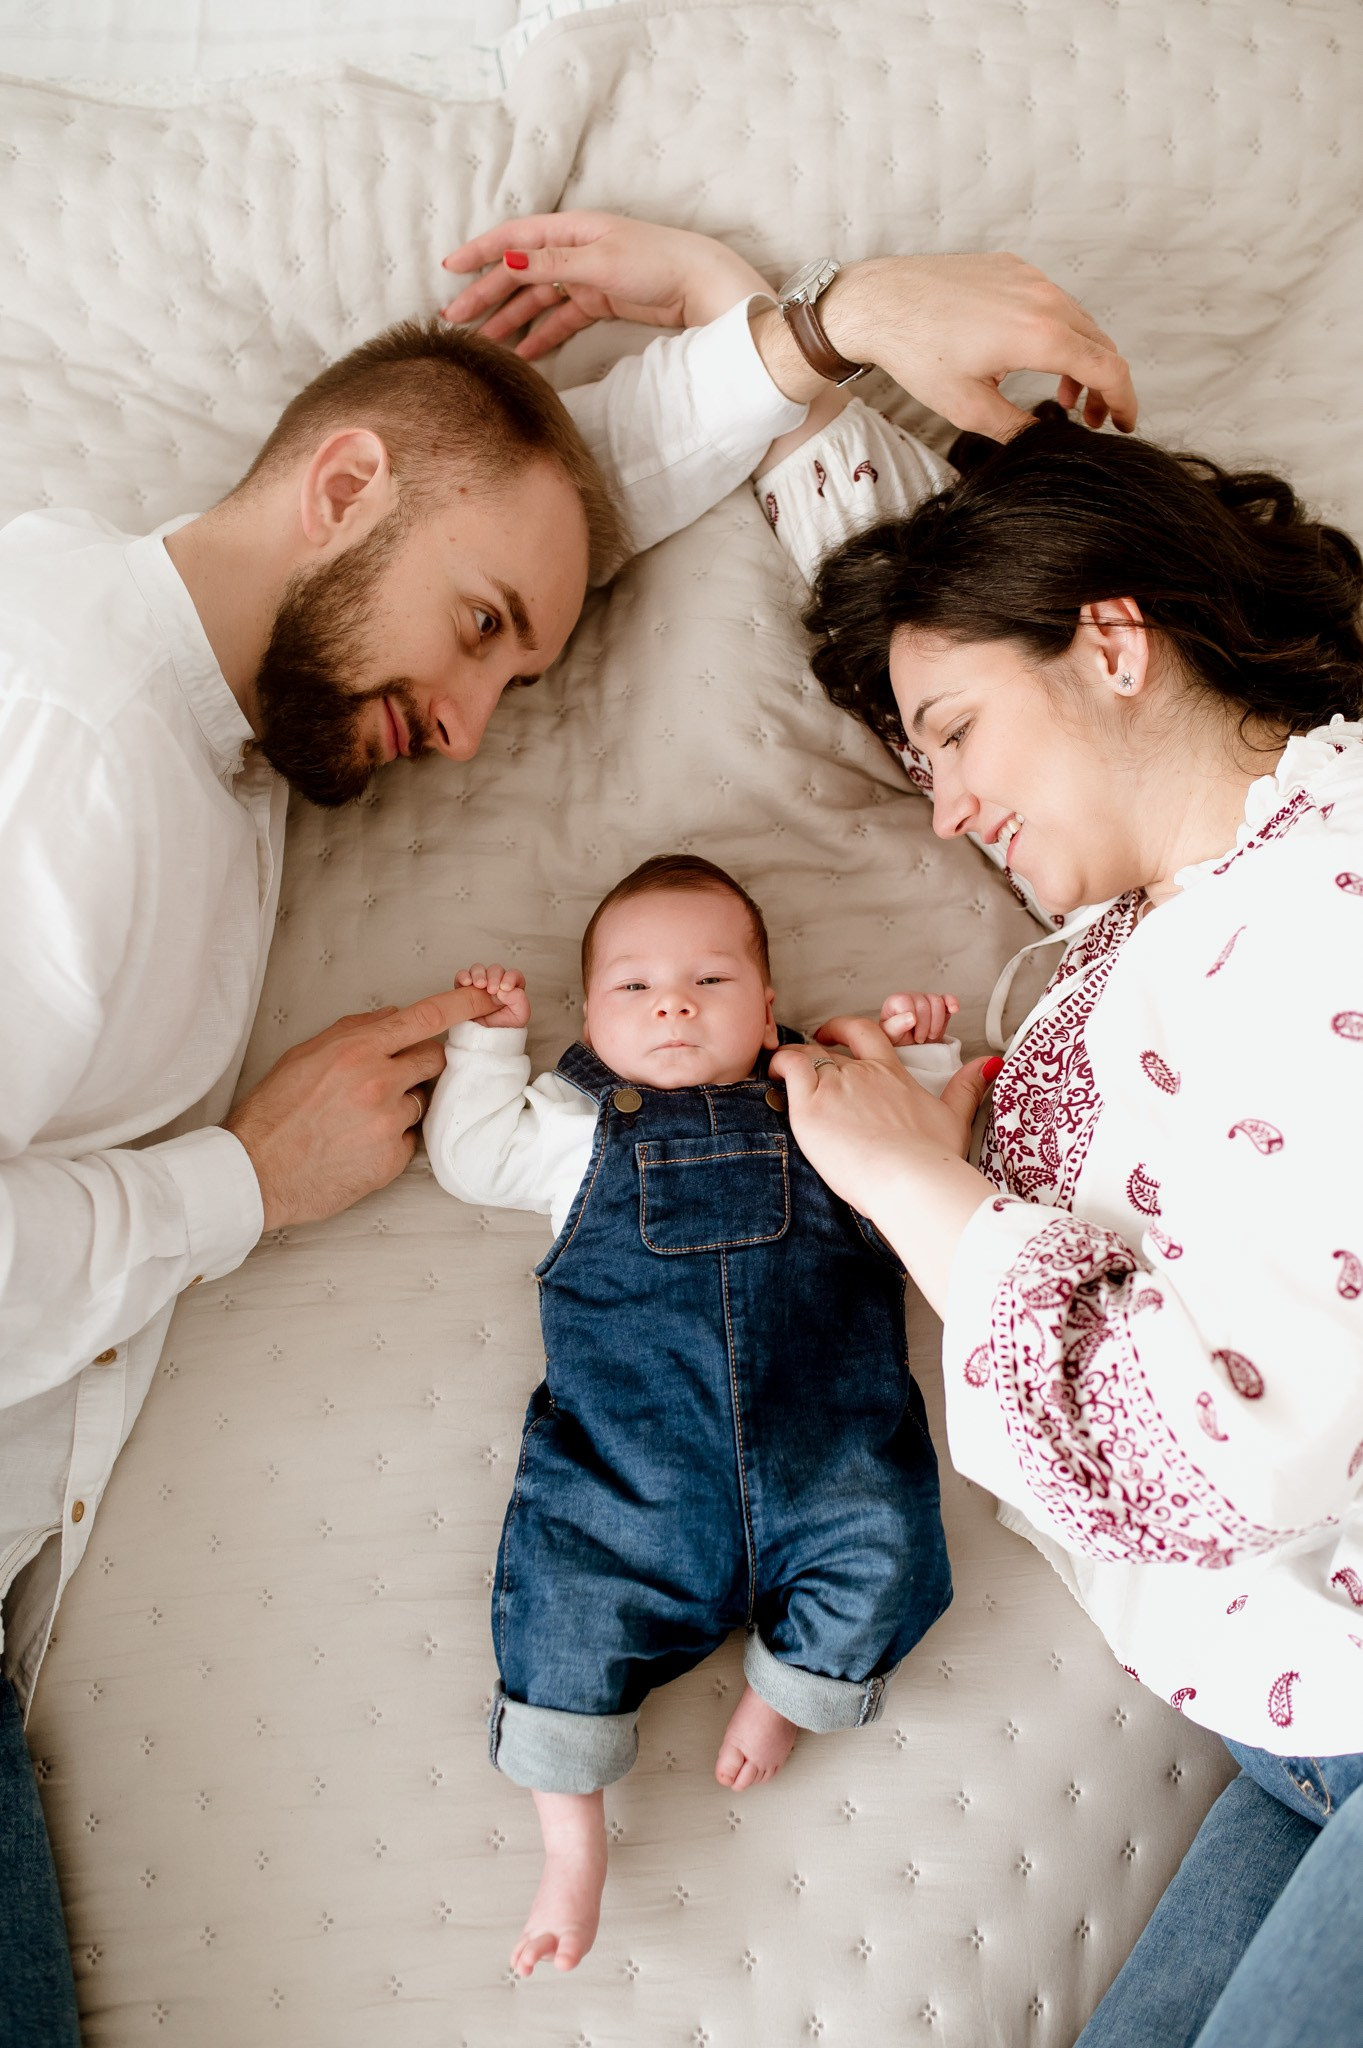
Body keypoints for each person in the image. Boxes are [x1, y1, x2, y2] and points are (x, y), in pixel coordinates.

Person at [0, 222, 1137, 2042]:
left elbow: (536, 503)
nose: (463, 735)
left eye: (515, 676)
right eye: (475, 642)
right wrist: (243, 1182)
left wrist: (813, 323)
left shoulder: (205, 710)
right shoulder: (64, 745)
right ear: (338, 481)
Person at [447, 213, 1363, 2045]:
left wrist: (913, 1186)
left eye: (952, 739)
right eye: (917, 758)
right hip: (1298, 1718)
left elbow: (1220, 1452)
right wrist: (756, 321)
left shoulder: (1328, 906)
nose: (937, 810)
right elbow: (927, 623)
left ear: (1114, 645)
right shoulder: (1176, 901)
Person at [423, 853, 973, 1976]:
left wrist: (918, 1054)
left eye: (709, 980)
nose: (671, 1000)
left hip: (830, 1459)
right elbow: (470, 1157)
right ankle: (573, 1842)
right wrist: (488, 1046)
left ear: (768, 1007)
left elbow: (916, 1156)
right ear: (589, 1016)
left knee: (892, 1546)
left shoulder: (820, 1102)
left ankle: (786, 1691)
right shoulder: (570, 1126)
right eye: (633, 987)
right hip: (627, 1485)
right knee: (558, 1608)